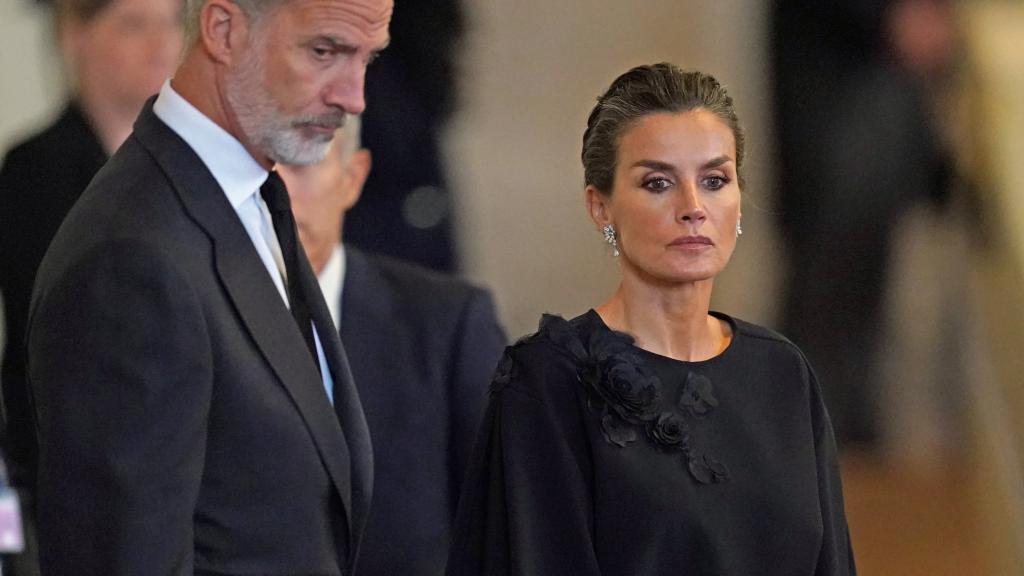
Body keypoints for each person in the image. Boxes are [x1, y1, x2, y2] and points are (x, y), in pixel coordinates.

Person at [25, 0, 391, 574]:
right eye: (325, 51)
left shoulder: (249, 195)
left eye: (367, 58)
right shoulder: (131, 258)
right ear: (223, 30)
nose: (354, 96)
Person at [446, 64, 856, 576]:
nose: (693, 207)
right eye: (658, 182)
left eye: (714, 180)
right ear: (601, 207)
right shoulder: (547, 383)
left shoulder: (782, 372)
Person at [278, 116, 507, 576]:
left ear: (352, 177)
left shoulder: (448, 327)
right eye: (256, 166)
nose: (276, 190)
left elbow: (507, 536)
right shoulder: (185, 317)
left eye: (302, 159)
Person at [0, 1, 182, 573]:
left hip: (179, 464)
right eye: (133, 24)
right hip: (71, 470)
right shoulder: (34, 171)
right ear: (73, 35)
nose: (161, 44)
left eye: (173, 22)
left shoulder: (196, 168)